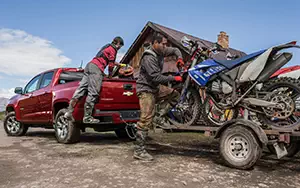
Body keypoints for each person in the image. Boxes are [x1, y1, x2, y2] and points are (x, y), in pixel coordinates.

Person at [134, 32, 184, 161]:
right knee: (145, 119)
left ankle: (159, 115)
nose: (164, 46)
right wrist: (174, 77)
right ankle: (139, 151)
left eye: (165, 44)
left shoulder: (162, 51)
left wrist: (179, 58)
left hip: (155, 88)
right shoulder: (148, 57)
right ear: (155, 43)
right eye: (162, 44)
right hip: (146, 89)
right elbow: (156, 78)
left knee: (175, 95)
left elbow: (176, 49)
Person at [64, 36, 124, 124]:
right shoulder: (113, 49)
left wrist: (118, 64)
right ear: (118, 43)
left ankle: (68, 112)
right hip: (96, 68)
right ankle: (87, 117)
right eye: (120, 46)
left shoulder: (107, 47)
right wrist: (110, 75)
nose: (119, 48)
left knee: (81, 90)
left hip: (89, 66)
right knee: (94, 92)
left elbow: (105, 59)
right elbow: (110, 65)